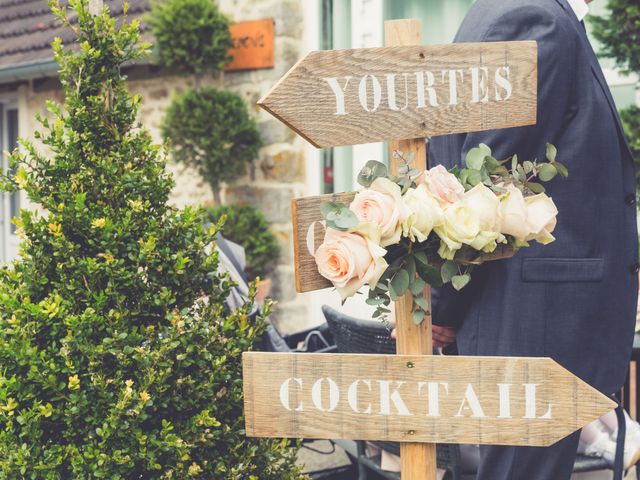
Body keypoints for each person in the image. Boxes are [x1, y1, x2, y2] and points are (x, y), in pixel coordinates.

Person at [427, 0, 638, 478]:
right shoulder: (533, 19)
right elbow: (483, 184)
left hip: (533, 314)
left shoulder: (524, 13)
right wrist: (440, 307)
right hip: (534, 318)